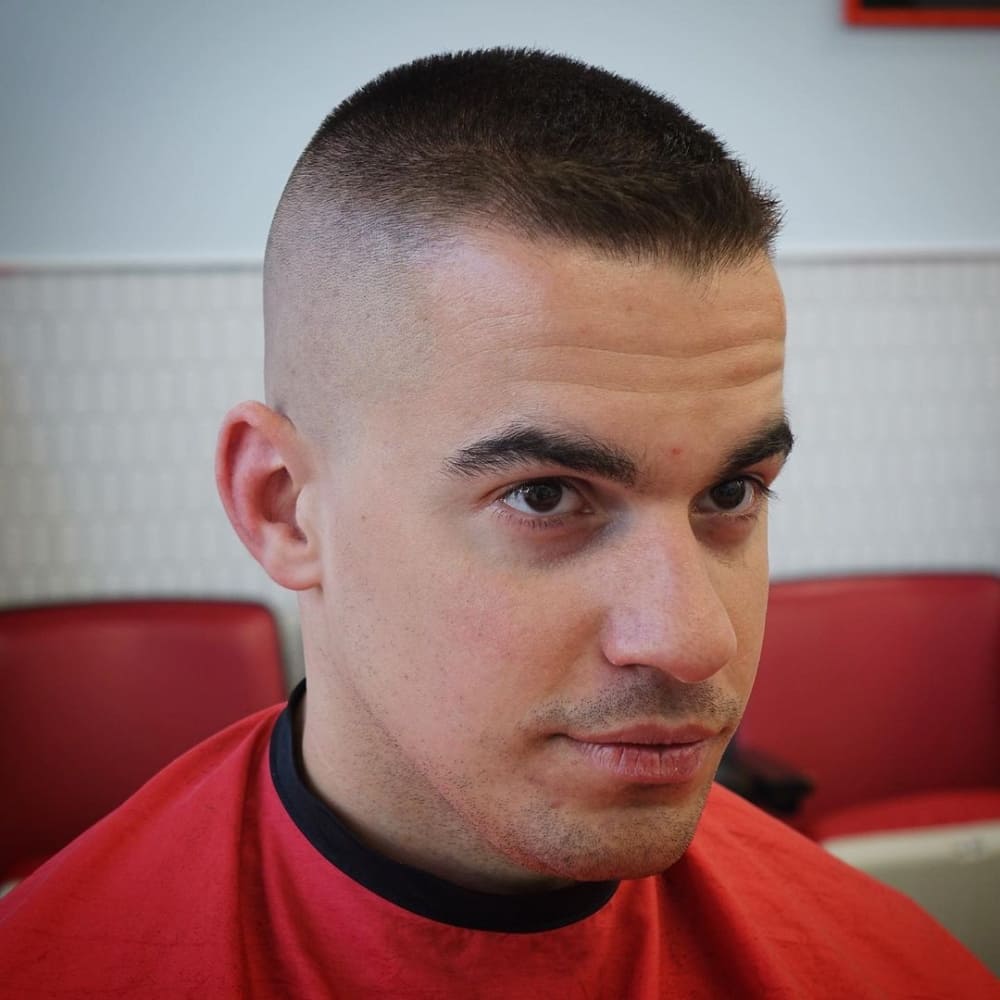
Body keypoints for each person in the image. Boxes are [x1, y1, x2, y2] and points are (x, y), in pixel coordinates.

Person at [1, 48, 996, 998]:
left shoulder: (893, 971)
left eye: (729, 494)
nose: (696, 640)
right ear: (285, 507)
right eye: (545, 496)